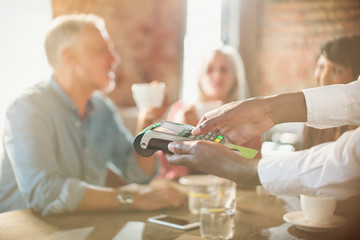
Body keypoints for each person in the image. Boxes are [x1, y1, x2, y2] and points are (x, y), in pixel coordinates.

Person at [0, 14, 185, 215]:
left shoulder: (102, 109)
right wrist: (132, 198)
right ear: (69, 57)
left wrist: (147, 128)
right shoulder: (27, 109)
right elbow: (44, 193)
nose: (115, 59)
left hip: (76, 227)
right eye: (102, 50)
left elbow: (138, 174)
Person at [166, 77, 360, 200]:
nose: (217, 77)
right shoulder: (183, 109)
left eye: (224, 70)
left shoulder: (245, 133)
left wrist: (246, 168)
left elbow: (351, 162)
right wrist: (268, 109)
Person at [157, 45, 262, 179]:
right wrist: (181, 135)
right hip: (184, 186)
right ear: (200, 78)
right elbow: (165, 166)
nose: (217, 75)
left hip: (230, 189)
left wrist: (224, 148)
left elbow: (253, 161)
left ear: (235, 77)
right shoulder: (180, 110)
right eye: (210, 69)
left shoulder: (247, 116)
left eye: (224, 70)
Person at [301, 35, 360, 150]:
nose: (324, 78)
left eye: (336, 70)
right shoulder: (313, 119)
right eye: (321, 67)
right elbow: (303, 161)